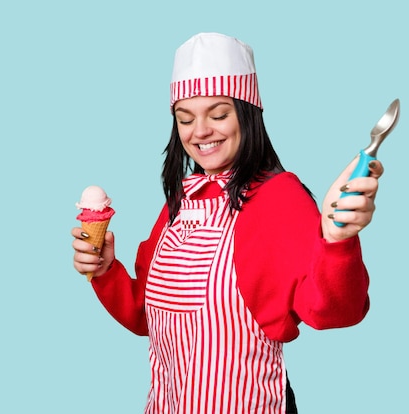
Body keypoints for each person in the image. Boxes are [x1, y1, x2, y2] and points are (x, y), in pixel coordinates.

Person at [72, 32, 383, 413]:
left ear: (247, 115)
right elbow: (148, 316)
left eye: (218, 114)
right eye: (185, 118)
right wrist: (106, 272)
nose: (200, 131)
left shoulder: (278, 198)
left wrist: (338, 242)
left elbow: (336, 311)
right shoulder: (180, 201)